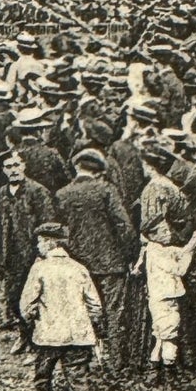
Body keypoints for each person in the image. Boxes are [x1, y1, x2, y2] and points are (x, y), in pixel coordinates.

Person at [20, 223, 105, 391]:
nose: (38, 246)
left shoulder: (39, 269)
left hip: (49, 335)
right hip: (78, 334)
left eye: (40, 241)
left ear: (50, 242)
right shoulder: (79, 268)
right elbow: (95, 305)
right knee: (79, 379)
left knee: (43, 376)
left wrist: (33, 320)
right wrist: (92, 325)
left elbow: (26, 305)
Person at [55, 149, 135, 357]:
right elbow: (124, 225)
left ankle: (87, 356)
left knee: (83, 308)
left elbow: (60, 229)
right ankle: (116, 361)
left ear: (76, 167)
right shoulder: (106, 190)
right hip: (110, 261)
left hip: (78, 262)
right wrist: (130, 255)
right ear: (98, 170)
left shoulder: (63, 194)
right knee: (114, 310)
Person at [134, 142, 196, 385]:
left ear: (149, 166)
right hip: (176, 250)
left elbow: (151, 227)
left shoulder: (154, 189)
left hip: (162, 255)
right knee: (168, 312)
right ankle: (165, 362)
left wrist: (152, 242)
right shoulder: (173, 187)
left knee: (163, 310)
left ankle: (163, 367)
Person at [0, 151, 57, 349]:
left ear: (24, 166)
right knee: (14, 296)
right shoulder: (3, 192)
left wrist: (43, 253)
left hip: (33, 254)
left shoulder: (37, 191)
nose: (13, 170)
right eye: (8, 167)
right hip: (12, 254)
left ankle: (39, 337)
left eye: (16, 165)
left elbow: (48, 223)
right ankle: (24, 333)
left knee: (36, 295)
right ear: (3, 170)